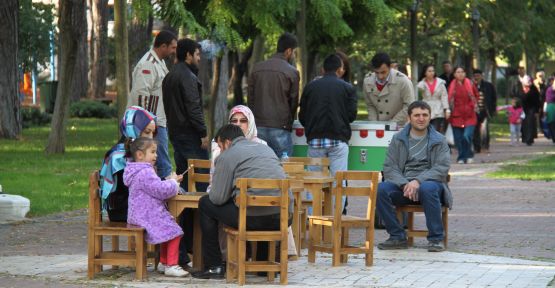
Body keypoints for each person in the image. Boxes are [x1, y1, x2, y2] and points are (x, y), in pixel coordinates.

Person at [192, 124, 291, 279]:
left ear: (227, 142)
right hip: (282, 217)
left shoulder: (227, 155)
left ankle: (214, 266)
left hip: (250, 218)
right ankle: (263, 265)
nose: (220, 150)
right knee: (264, 206)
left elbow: (217, 198)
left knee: (205, 204)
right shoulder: (267, 149)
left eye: (220, 146)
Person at [376, 101, 452, 252]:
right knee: (381, 189)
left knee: (427, 188)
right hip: (404, 187)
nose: (421, 118)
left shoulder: (439, 140)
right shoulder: (398, 139)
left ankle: (436, 239)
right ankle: (397, 236)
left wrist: (418, 181)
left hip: (431, 187)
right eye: (417, 115)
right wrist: (405, 184)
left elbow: (441, 168)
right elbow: (389, 167)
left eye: (425, 115)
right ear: (409, 118)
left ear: (430, 117)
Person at [299, 54, 358, 213]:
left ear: (323, 69)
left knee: (314, 183)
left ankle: (313, 221)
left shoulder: (310, 87)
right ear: (340, 70)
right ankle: (335, 220)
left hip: (315, 141)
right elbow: (352, 116)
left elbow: (302, 116)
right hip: (338, 141)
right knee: (338, 182)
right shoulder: (348, 88)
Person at [123, 137, 188, 277]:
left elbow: (153, 188)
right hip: (146, 215)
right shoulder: (145, 172)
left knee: (167, 231)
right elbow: (160, 191)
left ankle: (164, 262)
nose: (156, 155)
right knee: (175, 231)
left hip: (139, 214)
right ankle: (171, 264)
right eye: (152, 152)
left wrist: (169, 181)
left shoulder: (136, 171)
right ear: (140, 155)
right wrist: (173, 182)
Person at [127, 30, 177, 178]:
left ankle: (163, 189)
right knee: (161, 161)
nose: (174, 51)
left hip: (158, 121)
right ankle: (169, 188)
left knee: (157, 159)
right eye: (172, 48)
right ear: (163, 46)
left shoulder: (159, 62)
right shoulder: (148, 64)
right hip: (151, 124)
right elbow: (141, 97)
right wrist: (146, 126)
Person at [162, 38, 209, 190]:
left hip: (175, 133)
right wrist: (203, 133)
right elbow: (193, 108)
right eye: (197, 54)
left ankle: (185, 213)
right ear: (188, 55)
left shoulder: (169, 76)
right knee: (202, 176)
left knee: (184, 177)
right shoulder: (188, 77)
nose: (199, 58)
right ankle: (203, 212)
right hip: (190, 135)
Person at [99, 106, 156, 222]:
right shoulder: (119, 157)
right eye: (147, 132)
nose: (150, 138)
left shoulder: (139, 152)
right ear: (132, 129)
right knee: (163, 214)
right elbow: (132, 190)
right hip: (122, 210)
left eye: (153, 133)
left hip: (135, 205)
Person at [247, 32, 300, 157]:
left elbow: (251, 99)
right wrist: (288, 123)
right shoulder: (292, 72)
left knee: (260, 165)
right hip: (280, 126)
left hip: (258, 126)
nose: (293, 55)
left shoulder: (256, 68)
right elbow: (293, 102)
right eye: (293, 52)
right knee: (284, 168)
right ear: (288, 51)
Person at [363, 52, 415, 127]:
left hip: (399, 126)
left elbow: (409, 105)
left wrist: (392, 124)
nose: (380, 76)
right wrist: (374, 124)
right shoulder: (367, 81)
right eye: (377, 72)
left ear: (390, 67)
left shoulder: (403, 81)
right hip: (377, 128)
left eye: (383, 72)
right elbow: (370, 105)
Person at [448, 66, 480, 164]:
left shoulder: (470, 83)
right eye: (458, 72)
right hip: (456, 115)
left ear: (465, 73)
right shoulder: (452, 85)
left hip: (470, 115)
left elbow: (476, 96)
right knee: (459, 138)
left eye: (462, 72)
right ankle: (461, 157)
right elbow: (449, 99)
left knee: (467, 136)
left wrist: (472, 106)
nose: (460, 74)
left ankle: (469, 154)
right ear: (454, 74)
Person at [416, 64, 450, 134]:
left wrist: (446, 109)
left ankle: (434, 144)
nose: (432, 73)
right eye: (429, 71)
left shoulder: (440, 83)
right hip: (426, 108)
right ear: (425, 73)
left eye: (433, 71)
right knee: (426, 130)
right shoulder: (421, 84)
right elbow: (418, 97)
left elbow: (444, 96)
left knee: (434, 130)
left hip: (438, 109)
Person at [472, 69, 497, 153]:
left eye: (478, 76)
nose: (476, 78)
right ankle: (476, 147)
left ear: (481, 76)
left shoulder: (488, 86)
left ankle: (485, 146)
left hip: (485, 111)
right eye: (475, 76)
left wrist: (493, 109)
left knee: (484, 130)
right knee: (475, 130)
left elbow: (494, 98)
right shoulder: (471, 86)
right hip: (474, 112)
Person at [517, 75, 541, 146]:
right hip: (523, 108)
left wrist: (537, 111)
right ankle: (524, 138)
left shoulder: (534, 89)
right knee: (524, 123)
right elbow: (519, 97)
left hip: (531, 108)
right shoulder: (521, 89)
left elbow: (537, 101)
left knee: (530, 123)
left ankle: (529, 139)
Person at [543, 79, 555, 143]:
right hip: (551, 106)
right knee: (552, 123)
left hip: (550, 106)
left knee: (551, 124)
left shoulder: (549, 89)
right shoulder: (550, 89)